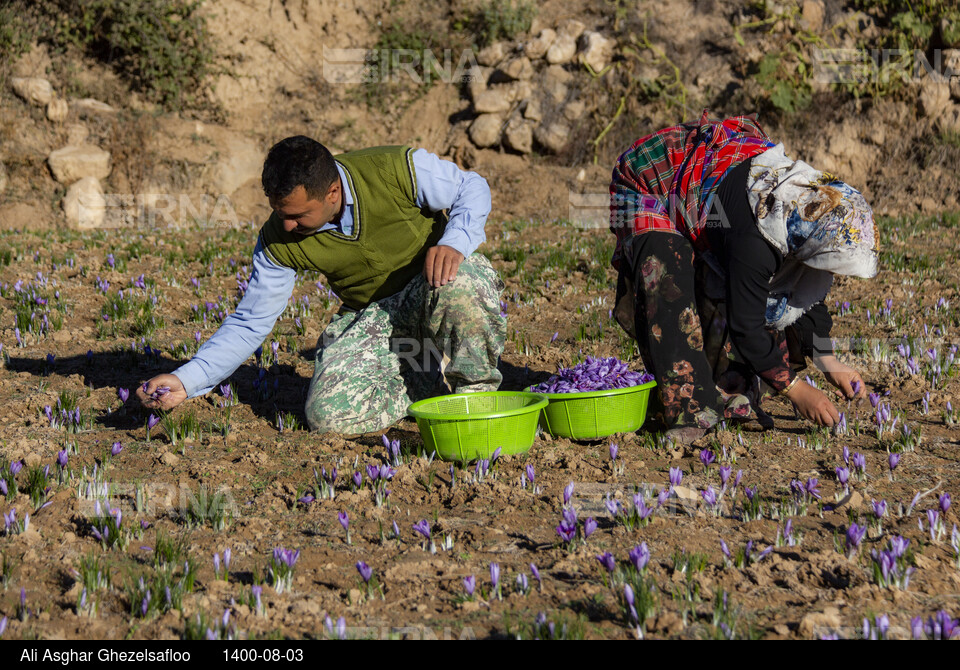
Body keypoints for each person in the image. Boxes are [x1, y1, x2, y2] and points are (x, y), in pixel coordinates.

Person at [138, 137, 507, 435]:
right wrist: (186, 379)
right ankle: (426, 373)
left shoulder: (395, 168)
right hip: (372, 315)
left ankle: (476, 400)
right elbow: (251, 322)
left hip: (434, 287)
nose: (286, 226)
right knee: (326, 416)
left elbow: (470, 187)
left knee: (463, 280)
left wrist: (454, 242)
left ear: (332, 193)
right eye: (279, 213)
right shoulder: (276, 241)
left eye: (297, 215)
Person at [609, 111, 876, 443]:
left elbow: (802, 296)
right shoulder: (759, 233)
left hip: (719, 197)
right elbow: (746, 324)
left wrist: (827, 358)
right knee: (669, 272)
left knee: (735, 278)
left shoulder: (803, 218)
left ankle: (724, 386)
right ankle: (689, 409)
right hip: (652, 181)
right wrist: (796, 390)